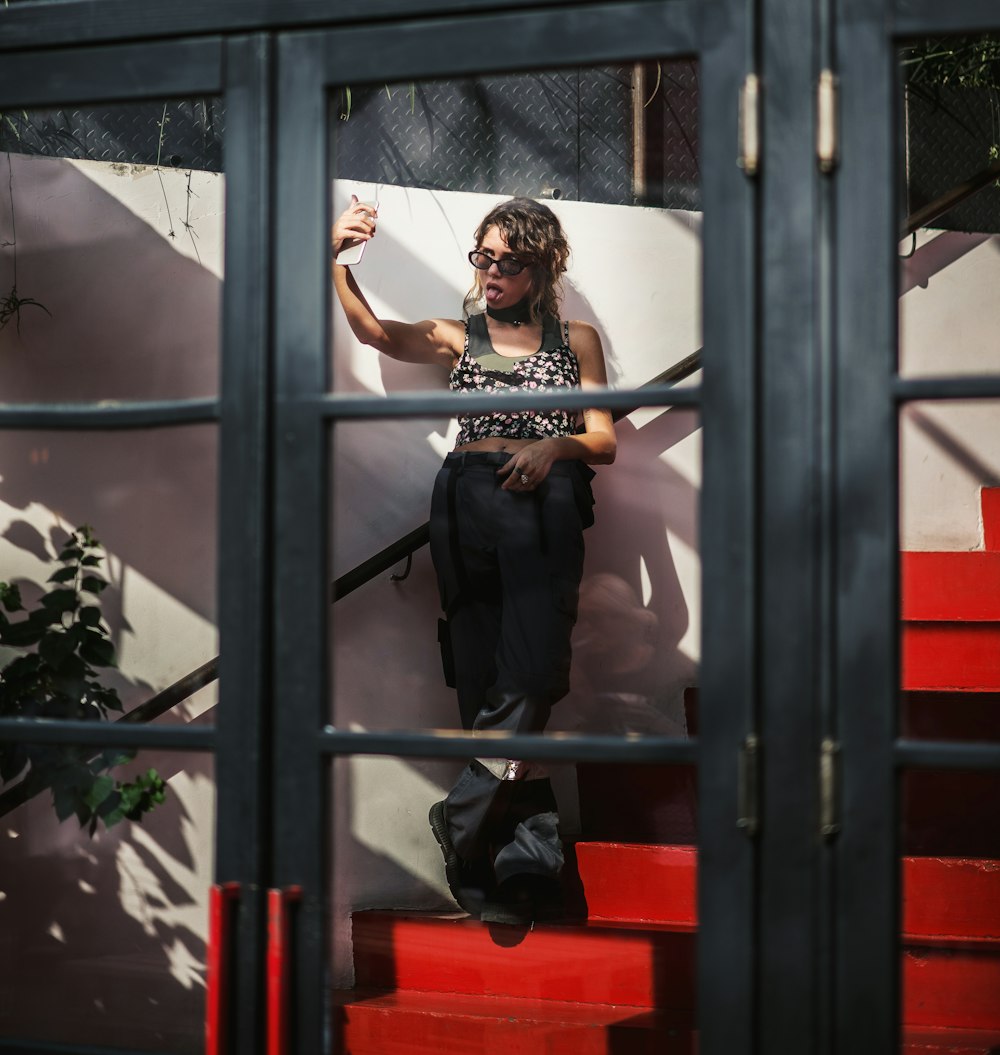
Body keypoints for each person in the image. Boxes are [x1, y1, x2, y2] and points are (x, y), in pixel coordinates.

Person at [332, 194, 616, 924]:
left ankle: (462, 821)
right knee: (480, 673)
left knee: (535, 671)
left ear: (542, 265)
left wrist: (555, 444)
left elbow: (603, 438)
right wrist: (337, 258)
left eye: (507, 261)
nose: (490, 272)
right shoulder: (461, 335)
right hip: (464, 499)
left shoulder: (573, 338)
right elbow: (373, 333)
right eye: (482, 256)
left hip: (546, 506)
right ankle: (518, 858)